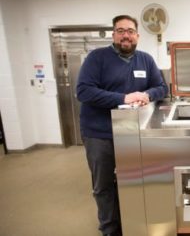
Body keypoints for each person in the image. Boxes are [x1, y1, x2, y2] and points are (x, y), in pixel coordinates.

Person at [76, 15, 168, 236]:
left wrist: (146, 94)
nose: (125, 35)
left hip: (133, 134)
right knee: (104, 185)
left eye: (130, 31)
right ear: (113, 34)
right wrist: (124, 98)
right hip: (100, 133)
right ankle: (110, 229)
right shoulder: (97, 58)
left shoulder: (145, 59)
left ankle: (134, 223)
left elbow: (162, 87)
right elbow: (84, 91)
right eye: (120, 31)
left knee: (135, 181)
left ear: (137, 35)